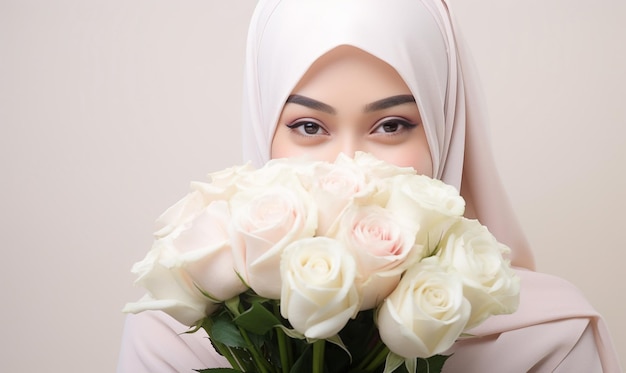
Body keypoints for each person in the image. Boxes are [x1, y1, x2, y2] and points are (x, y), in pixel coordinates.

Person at [117, 0, 622, 371]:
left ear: (445, 130)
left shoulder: (547, 338)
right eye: (309, 127)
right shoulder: (177, 335)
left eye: (392, 125)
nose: (350, 174)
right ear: (262, 129)